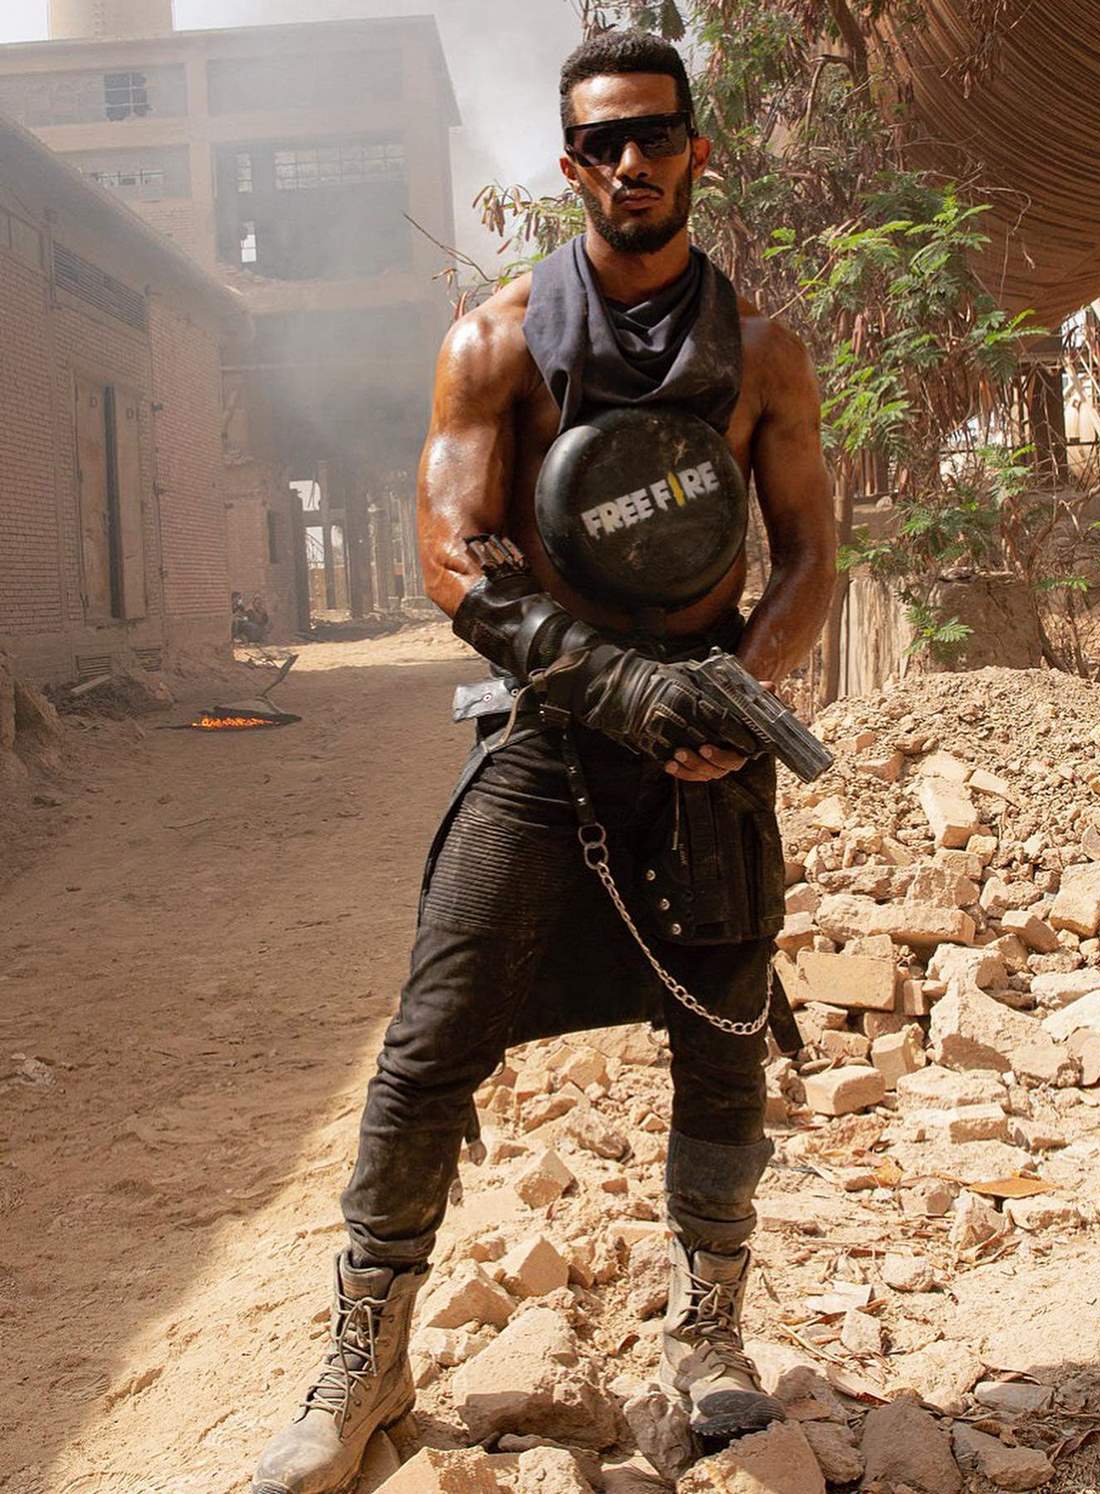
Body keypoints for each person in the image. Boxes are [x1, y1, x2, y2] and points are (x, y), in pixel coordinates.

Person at [252, 29, 835, 1494]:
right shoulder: (496, 342)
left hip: (705, 742)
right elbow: (456, 562)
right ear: (570, 165)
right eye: (602, 142)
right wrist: (622, 687)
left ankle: (707, 1335)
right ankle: (366, 1363)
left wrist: (739, 695)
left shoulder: (763, 352)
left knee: (722, 1035)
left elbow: (812, 555)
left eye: (655, 134)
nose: (631, 162)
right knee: (430, 1037)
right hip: (552, 736)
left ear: (696, 149)